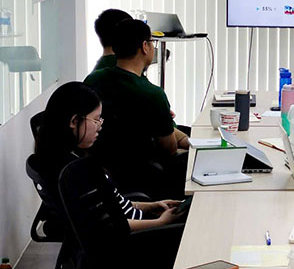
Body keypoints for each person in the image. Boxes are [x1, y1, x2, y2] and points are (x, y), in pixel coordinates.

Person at [35, 82, 183, 231]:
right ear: (74, 121)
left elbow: (114, 206)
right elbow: (109, 226)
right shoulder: (75, 173)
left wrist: (153, 207)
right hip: (136, 236)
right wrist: (161, 222)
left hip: (138, 223)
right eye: (96, 119)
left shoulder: (64, 157)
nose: (99, 126)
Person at [84, 19, 189, 194]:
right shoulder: (152, 94)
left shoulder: (94, 79)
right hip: (145, 177)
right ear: (145, 47)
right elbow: (169, 149)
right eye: (152, 42)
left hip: (102, 173)